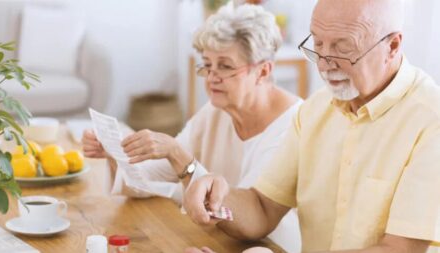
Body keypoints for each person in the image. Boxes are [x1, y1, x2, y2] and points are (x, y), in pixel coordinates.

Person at [183, 0, 440, 252]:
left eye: (343, 48)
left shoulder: (431, 120)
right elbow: (263, 208)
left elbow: (400, 248)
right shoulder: (314, 110)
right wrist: (217, 196)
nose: (325, 64)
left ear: (392, 46)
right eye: (317, 44)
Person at [82, 4, 302, 251]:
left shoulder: (293, 125)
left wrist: (178, 155)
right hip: (216, 241)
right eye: (207, 65)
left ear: (263, 71)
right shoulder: (216, 111)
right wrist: (116, 151)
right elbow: (150, 179)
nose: (211, 77)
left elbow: (251, 224)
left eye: (226, 66)